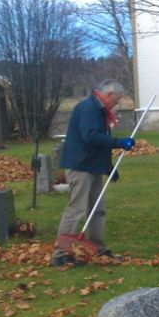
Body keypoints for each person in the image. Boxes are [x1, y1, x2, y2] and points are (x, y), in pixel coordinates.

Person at [51, 79, 135, 266]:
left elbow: (100, 142)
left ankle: (97, 248)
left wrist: (109, 168)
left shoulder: (100, 110)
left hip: (93, 166)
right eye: (117, 99)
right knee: (77, 208)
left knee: (97, 210)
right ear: (108, 95)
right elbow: (90, 137)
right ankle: (60, 254)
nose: (117, 103)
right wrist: (119, 142)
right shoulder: (89, 108)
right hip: (81, 166)